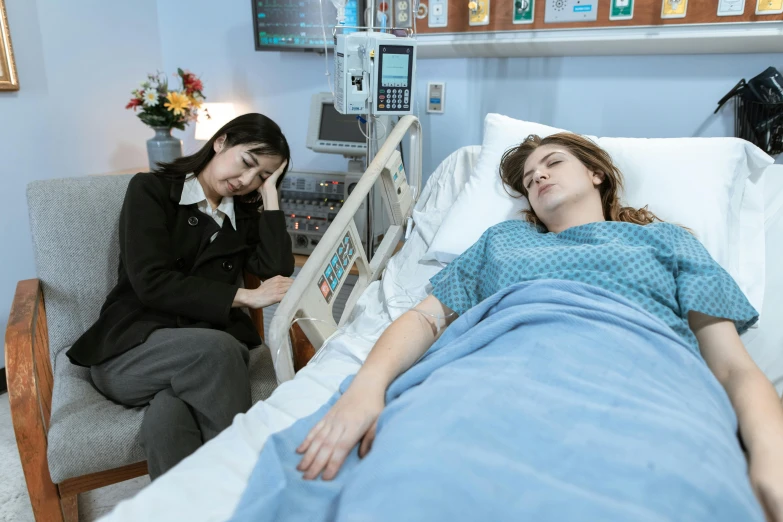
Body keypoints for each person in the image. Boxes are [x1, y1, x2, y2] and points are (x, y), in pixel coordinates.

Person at [289, 133, 783, 520]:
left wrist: (769, 457)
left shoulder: (666, 240)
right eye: (528, 179)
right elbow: (424, 317)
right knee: (412, 477)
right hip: (490, 379)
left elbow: (733, 368)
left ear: (596, 174)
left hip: (644, 383)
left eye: (552, 163)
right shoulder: (504, 240)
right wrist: (368, 388)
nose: (538, 177)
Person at [67, 113, 296, 480]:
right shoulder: (152, 190)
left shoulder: (242, 215)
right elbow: (150, 282)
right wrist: (243, 296)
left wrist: (271, 197)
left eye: (262, 177)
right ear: (221, 141)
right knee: (220, 350)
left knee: (169, 416)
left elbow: (277, 268)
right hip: (132, 350)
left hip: (194, 359)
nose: (246, 180)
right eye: (247, 163)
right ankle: (244, 486)